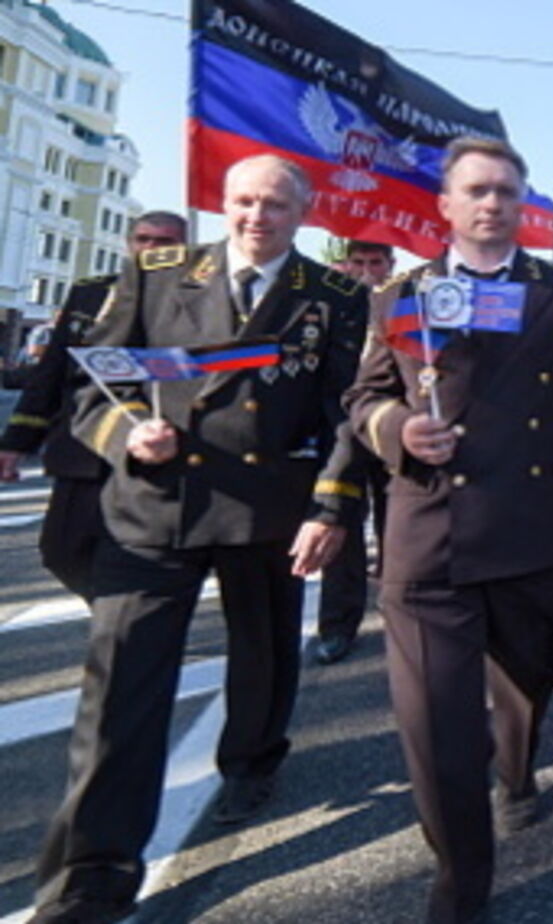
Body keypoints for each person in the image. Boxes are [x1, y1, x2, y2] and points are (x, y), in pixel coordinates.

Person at [33, 156, 367, 924]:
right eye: (245, 201)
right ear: (224, 204)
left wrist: (332, 510)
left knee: (266, 648)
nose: (258, 217)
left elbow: (344, 411)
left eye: (276, 205)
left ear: (304, 212)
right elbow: (93, 387)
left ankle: (252, 761)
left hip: (266, 507)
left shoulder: (334, 294)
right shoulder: (157, 273)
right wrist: (125, 435)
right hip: (154, 506)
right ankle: (91, 875)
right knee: (119, 691)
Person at [346, 137, 553, 923]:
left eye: (505, 190)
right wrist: (398, 425)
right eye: (476, 190)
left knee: (530, 675)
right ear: (447, 205)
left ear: (521, 202)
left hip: (536, 526)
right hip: (431, 528)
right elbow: (360, 400)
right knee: (435, 723)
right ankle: (462, 884)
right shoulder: (401, 294)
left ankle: (516, 766)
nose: (492, 203)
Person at [0, 211, 187, 600]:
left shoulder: (200, 300)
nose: (151, 249)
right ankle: (110, 608)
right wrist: (16, 442)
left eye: (165, 243)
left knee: (143, 555)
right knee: (61, 551)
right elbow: (52, 372)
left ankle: (129, 622)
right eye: (144, 239)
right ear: (128, 243)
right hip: (85, 445)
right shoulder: (91, 293)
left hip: (158, 448)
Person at [309, 240, 397, 664]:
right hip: (339, 429)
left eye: (374, 262)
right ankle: (338, 625)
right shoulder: (330, 301)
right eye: (357, 261)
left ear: (390, 264)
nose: (365, 270)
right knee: (337, 522)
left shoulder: (403, 300)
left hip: (388, 426)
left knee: (394, 525)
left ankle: (399, 611)